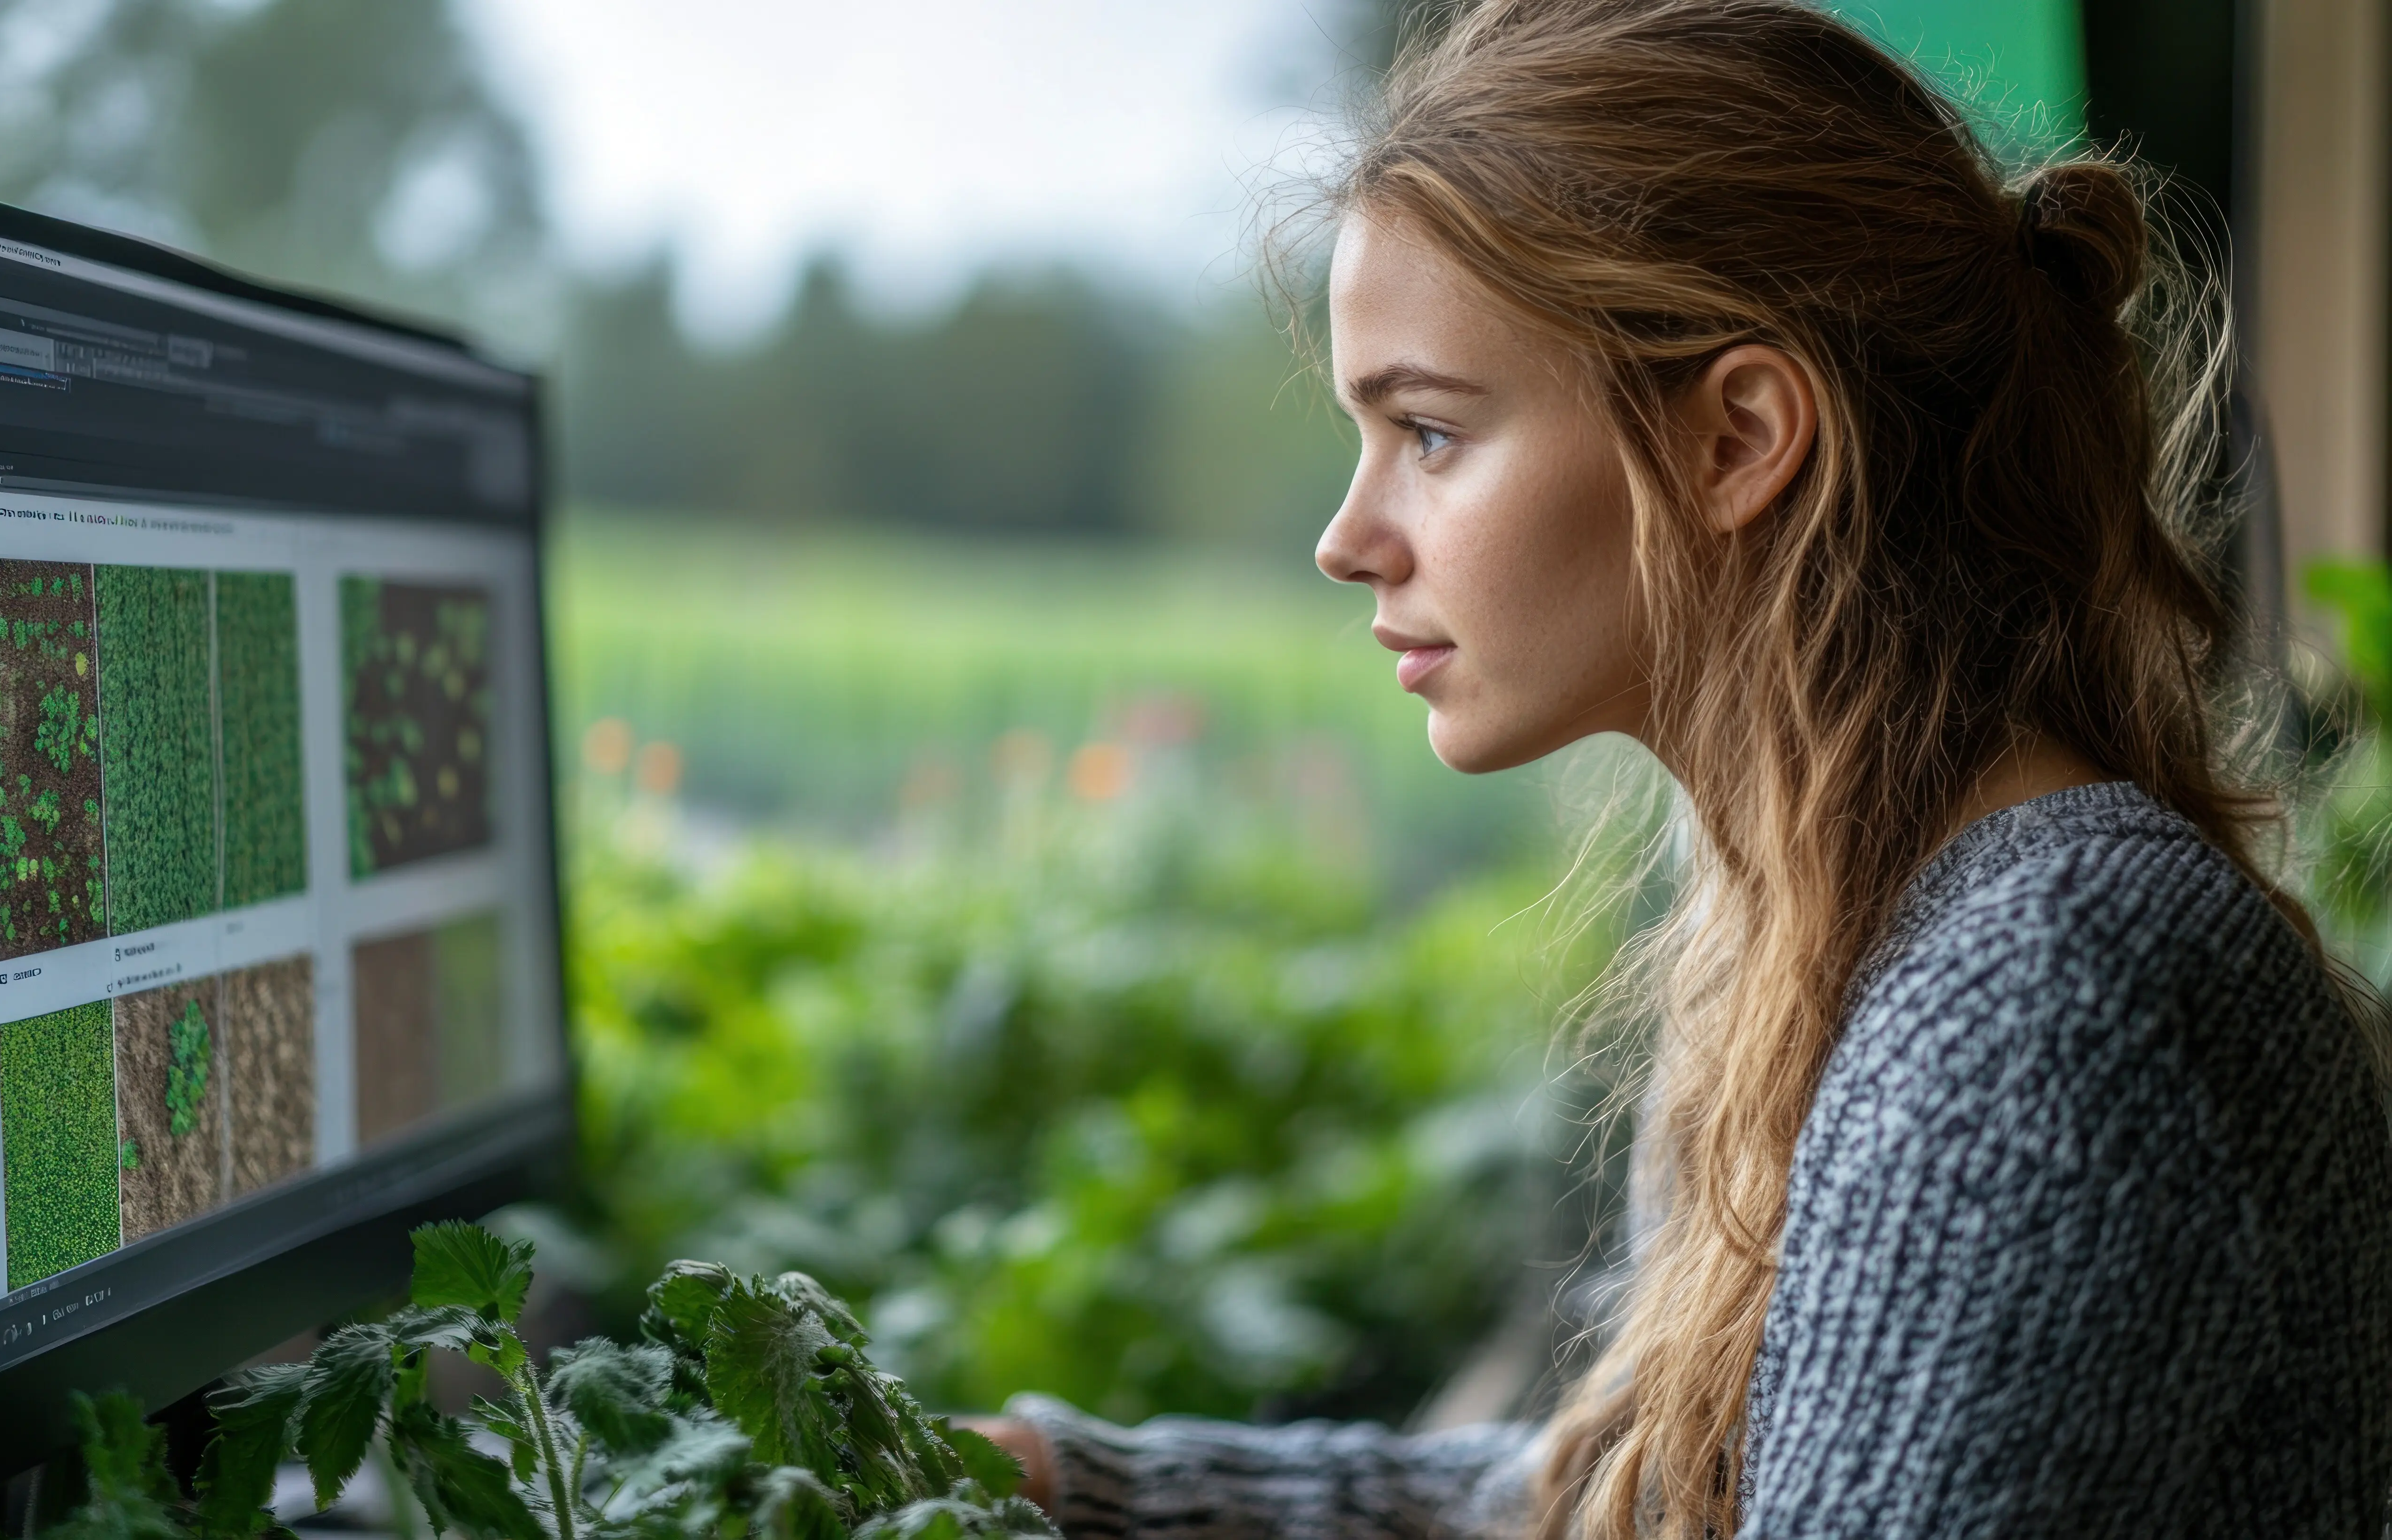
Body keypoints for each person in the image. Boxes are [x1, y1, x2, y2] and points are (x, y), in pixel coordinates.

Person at [970, 1, 2392, 1536]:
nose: (1347, 537)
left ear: (1739, 440)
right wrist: (1061, 1489)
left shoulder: (2039, 1000)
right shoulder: (1823, 928)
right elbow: (1617, 1501)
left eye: (1431, 434)